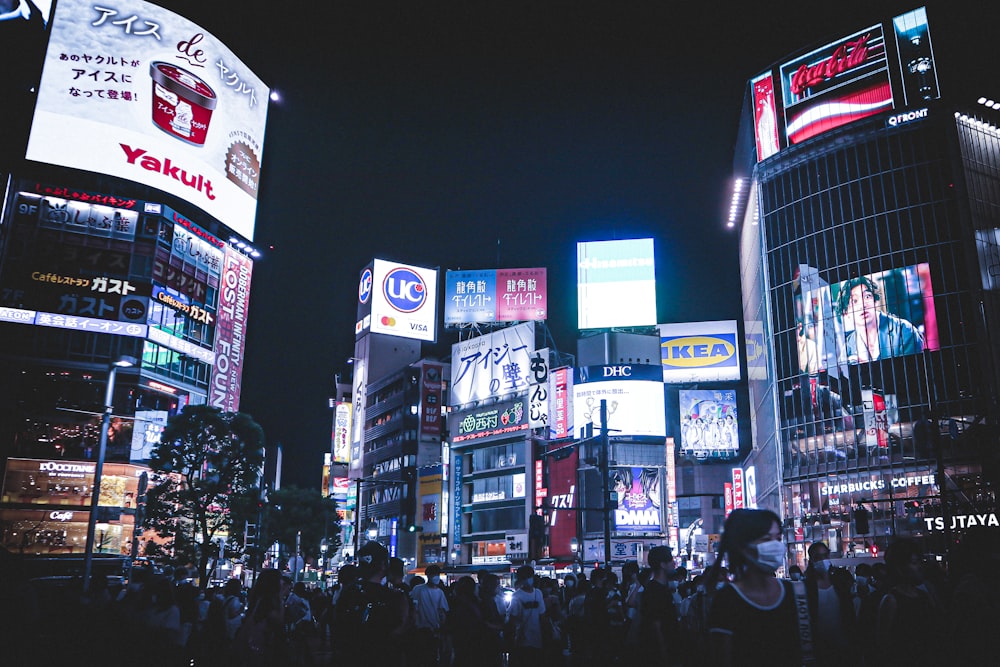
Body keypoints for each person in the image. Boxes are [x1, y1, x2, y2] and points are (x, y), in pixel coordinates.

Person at [707, 509, 805, 667]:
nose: (776, 546)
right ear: (744, 547)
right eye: (766, 540)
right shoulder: (726, 600)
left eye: (778, 539)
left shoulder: (795, 591)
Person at [335, 540, 410, 666]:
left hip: (351, 656)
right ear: (383, 565)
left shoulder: (348, 593)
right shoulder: (393, 597)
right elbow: (400, 628)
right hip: (382, 656)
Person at [875, 538, 944, 666]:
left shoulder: (923, 595)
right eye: (914, 562)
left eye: (919, 561)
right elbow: (883, 644)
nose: (920, 566)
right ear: (900, 568)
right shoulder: (891, 601)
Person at [837, 275, 924, 362]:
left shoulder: (904, 331)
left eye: (867, 297)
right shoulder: (847, 349)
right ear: (845, 313)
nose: (862, 305)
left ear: (875, 302)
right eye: (854, 301)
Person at [804, 541, 854, 664]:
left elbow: (850, 612)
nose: (822, 560)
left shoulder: (840, 582)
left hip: (844, 643)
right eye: (817, 557)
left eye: (825, 556)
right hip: (820, 647)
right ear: (811, 560)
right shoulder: (807, 587)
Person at [638, 546, 679, 664]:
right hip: (659, 653)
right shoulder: (654, 590)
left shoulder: (661, 588)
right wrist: (664, 652)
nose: (674, 563)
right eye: (671, 560)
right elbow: (656, 623)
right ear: (662, 564)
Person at [410, 563, 450, 664]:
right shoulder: (418, 589)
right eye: (433, 574)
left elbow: (442, 612)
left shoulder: (439, 592)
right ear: (428, 575)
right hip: (422, 629)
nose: (435, 577)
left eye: (437, 574)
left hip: (433, 630)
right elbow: (414, 607)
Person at [508, 564, 546, 667]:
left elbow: (542, 615)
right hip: (522, 638)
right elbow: (513, 618)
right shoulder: (516, 596)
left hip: (537, 638)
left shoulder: (538, 593)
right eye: (525, 577)